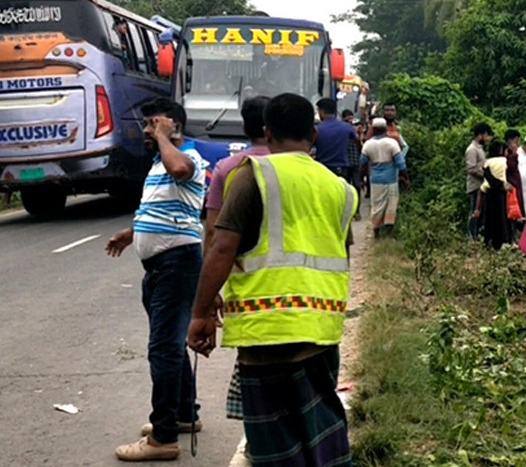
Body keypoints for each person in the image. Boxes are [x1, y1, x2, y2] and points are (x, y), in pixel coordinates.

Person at [187, 93, 358, 467]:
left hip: (265, 332)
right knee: (322, 431)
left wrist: (200, 313)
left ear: (266, 132)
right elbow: (340, 252)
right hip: (322, 331)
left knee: (275, 443)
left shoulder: (251, 176)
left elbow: (221, 247)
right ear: (313, 134)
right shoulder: (341, 188)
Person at [106, 99, 207, 462]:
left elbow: (181, 170)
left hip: (176, 264)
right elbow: (160, 208)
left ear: (173, 126)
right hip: (161, 266)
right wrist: (131, 233)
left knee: (162, 349)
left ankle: (163, 438)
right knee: (170, 345)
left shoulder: (188, 157)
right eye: (147, 125)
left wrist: (167, 138)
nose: (147, 131)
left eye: (154, 124)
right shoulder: (158, 163)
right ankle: (183, 415)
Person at [202, 95, 271, 427]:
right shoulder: (306, 170)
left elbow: (216, 238)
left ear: (245, 127)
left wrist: (206, 300)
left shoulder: (230, 169)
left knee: (258, 389)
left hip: (249, 293)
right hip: (311, 300)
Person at [361, 117, 409, 238]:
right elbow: (401, 163)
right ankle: (388, 233)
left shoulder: (368, 144)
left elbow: (362, 164)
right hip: (391, 179)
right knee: (391, 206)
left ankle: (376, 232)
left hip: (375, 180)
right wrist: (406, 179)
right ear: (385, 129)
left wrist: (361, 179)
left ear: (373, 129)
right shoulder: (392, 143)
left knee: (376, 206)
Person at [472, 141, 513, 250]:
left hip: (490, 193)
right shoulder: (504, 161)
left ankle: (489, 242)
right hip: (501, 193)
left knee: (490, 219)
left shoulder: (487, 162)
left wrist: (477, 210)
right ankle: (504, 242)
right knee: (503, 219)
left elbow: (483, 187)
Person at [313, 98, 357, 179]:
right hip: (341, 169)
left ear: (321, 112)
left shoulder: (317, 129)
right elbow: (356, 140)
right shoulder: (347, 127)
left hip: (322, 168)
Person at [465, 123, 493, 239]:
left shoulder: (480, 149)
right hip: (475, 186)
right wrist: (485, 175)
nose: (487, 139)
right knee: (474, 211)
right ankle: (471, 236)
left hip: (481, 185)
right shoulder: (472, 150)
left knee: (480, 212)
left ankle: (477, 235)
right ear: (480, 135)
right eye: (486, 136)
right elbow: (471, 168)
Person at [504, 129, 525, 223]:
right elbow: (510, 166)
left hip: (516, 182)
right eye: (516, 141)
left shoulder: (513, 152)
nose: (518, 143)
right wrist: (514, 154)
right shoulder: (506, 152)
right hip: (511, 183)